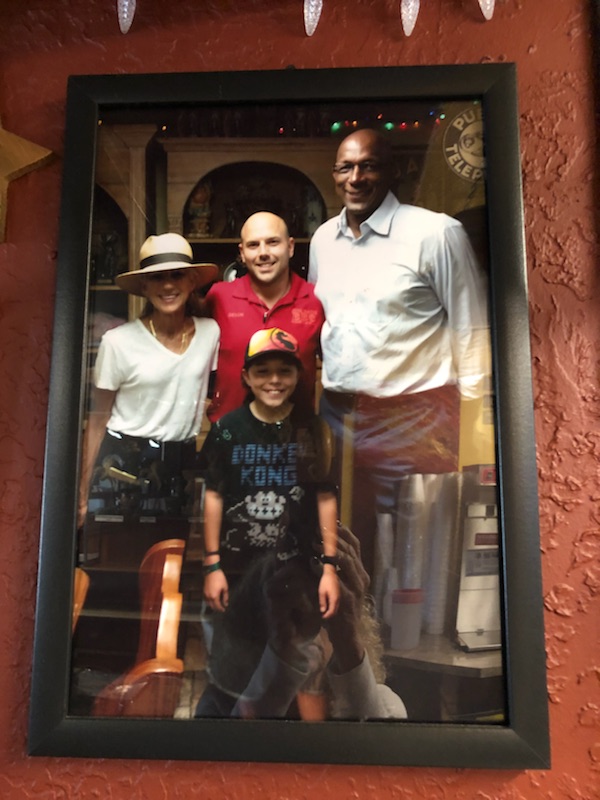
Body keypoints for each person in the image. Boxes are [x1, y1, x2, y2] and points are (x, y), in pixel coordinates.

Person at [308, 128, 491, 576]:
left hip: (414, 417)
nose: (355, 178)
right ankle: (354, 619)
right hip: (338, 415)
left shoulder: (436, 233)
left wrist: (473, 425)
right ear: (334, 174)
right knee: (341, 538)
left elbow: (472, 330)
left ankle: (397, 624)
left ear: (392, 171)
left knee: (412, 546)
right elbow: (323, 320)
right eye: (345, 168)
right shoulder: (322, 240)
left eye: (368, 166)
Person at [196, 327, 340, 717]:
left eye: (284, 371)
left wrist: (329, 568)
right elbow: (213, 495)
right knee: (231, 666)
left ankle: (278, 743)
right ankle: (213, 734)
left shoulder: (314, 431)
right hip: (238, 571)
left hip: (294, 574)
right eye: (262, 372)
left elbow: (326, 497)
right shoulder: (228, 430)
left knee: (287, 670)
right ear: (246, 376)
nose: (273, 380)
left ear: (297, 375)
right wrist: (211, 564)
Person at [77, 232, 220, 531]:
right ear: (144, 286)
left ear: (191, 281)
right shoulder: (118, 342)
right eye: (157, 277)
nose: (168, 285)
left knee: (171, 554)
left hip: (180, 462)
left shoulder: (210, 333)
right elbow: (98, 419)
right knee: (120, 551)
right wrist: (81, 492)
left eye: (177, 275)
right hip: (122, 462)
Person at [204, 211, 324, 422]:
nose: (263, 253)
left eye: (272, 242)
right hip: (229, 433)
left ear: (290, 247)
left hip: (295, 432)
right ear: (242, 253)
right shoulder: (219, 297)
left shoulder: (316, 300)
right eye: (253, 245)